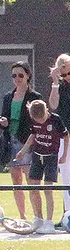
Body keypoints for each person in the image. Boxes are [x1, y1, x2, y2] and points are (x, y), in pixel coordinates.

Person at [14, 100, 68, 233]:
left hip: (51, 156)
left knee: (48, 188)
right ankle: (38, 218)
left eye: (42, 119)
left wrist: (64, 155)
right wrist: (22, 151)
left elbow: (66, 136)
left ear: (46, 111)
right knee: (33, 187)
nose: (40, 122)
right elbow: (33, 135)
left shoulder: (55, 120)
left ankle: (49, 222)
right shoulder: (33, 120)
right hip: (37, 155)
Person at [0, 61, 42, 219]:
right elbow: (3, 117)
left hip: (27, 140)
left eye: (20, 75)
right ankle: (22, 217)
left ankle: (38, 217)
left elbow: (39, 119)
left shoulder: (34, 97)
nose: (17, 78)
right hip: (11, 140)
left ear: (28, 76)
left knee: (32, 180)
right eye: (14, 76)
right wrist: (3, 122)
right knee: (16, 180)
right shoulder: (8, 97)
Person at [48, 53, 70, 213]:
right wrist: (55, 82)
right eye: (64, 75)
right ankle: (68, 213)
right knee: (66, 175)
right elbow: (53, 105)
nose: (67, 77)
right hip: (64, 134)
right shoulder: (60, 86)